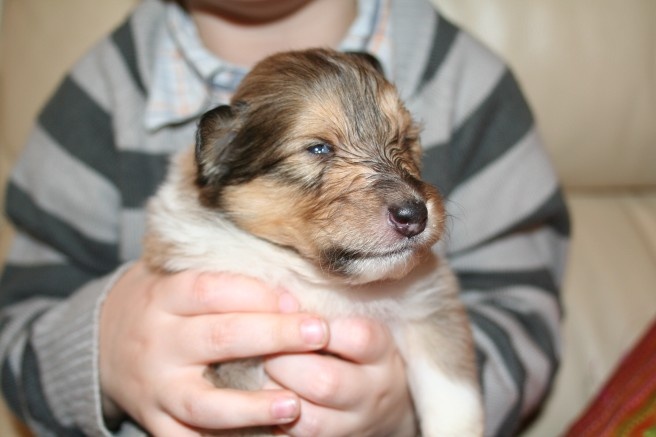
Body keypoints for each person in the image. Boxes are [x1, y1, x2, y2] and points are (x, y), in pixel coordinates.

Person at [0, 0, 570, 435]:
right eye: (318, 150)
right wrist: (101, 354)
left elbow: (521, 309)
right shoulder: (98, 96)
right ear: (217, 161)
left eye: (403, 141)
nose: (406, 201)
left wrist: (409, 414)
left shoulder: (469, 81)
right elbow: (18, 325)